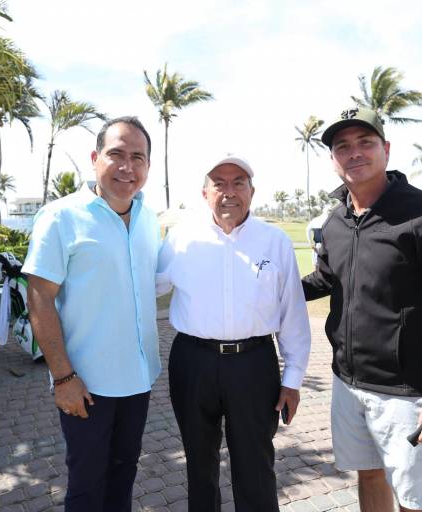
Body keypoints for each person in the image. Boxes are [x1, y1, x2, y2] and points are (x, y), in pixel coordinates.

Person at [302, 108, 422, 512]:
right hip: (347, 382)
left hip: (407, 390)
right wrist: (268, 293)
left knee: (414, 499)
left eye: (365, 143)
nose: (354, 153)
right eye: (342, 146)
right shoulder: (336, 220)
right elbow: (326, 279)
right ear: (333, 159)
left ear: (385, 149)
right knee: (369, 474)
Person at [157, 155, 311, 512]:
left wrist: (293, 379)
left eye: (238, 182)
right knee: (198, 462)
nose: (229, 192)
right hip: (193, 361)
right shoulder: (181, 239)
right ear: (204, 192)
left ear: (252, 191)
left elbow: (293, 314)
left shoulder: (274, 241)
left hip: (254, 364)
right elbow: (149, 286)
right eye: (219, 183)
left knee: (256, 464)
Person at [23, 116, 161, 512]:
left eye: (138, 157)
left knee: (123, 475)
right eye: (116, 154)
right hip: (86, 384)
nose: (127, 166)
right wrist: (63, 377)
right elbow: (40, 299)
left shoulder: (149, 220)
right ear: (94, 157)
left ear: (148, 166)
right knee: (86, 484)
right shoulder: (60, 216)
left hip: (138, 378)